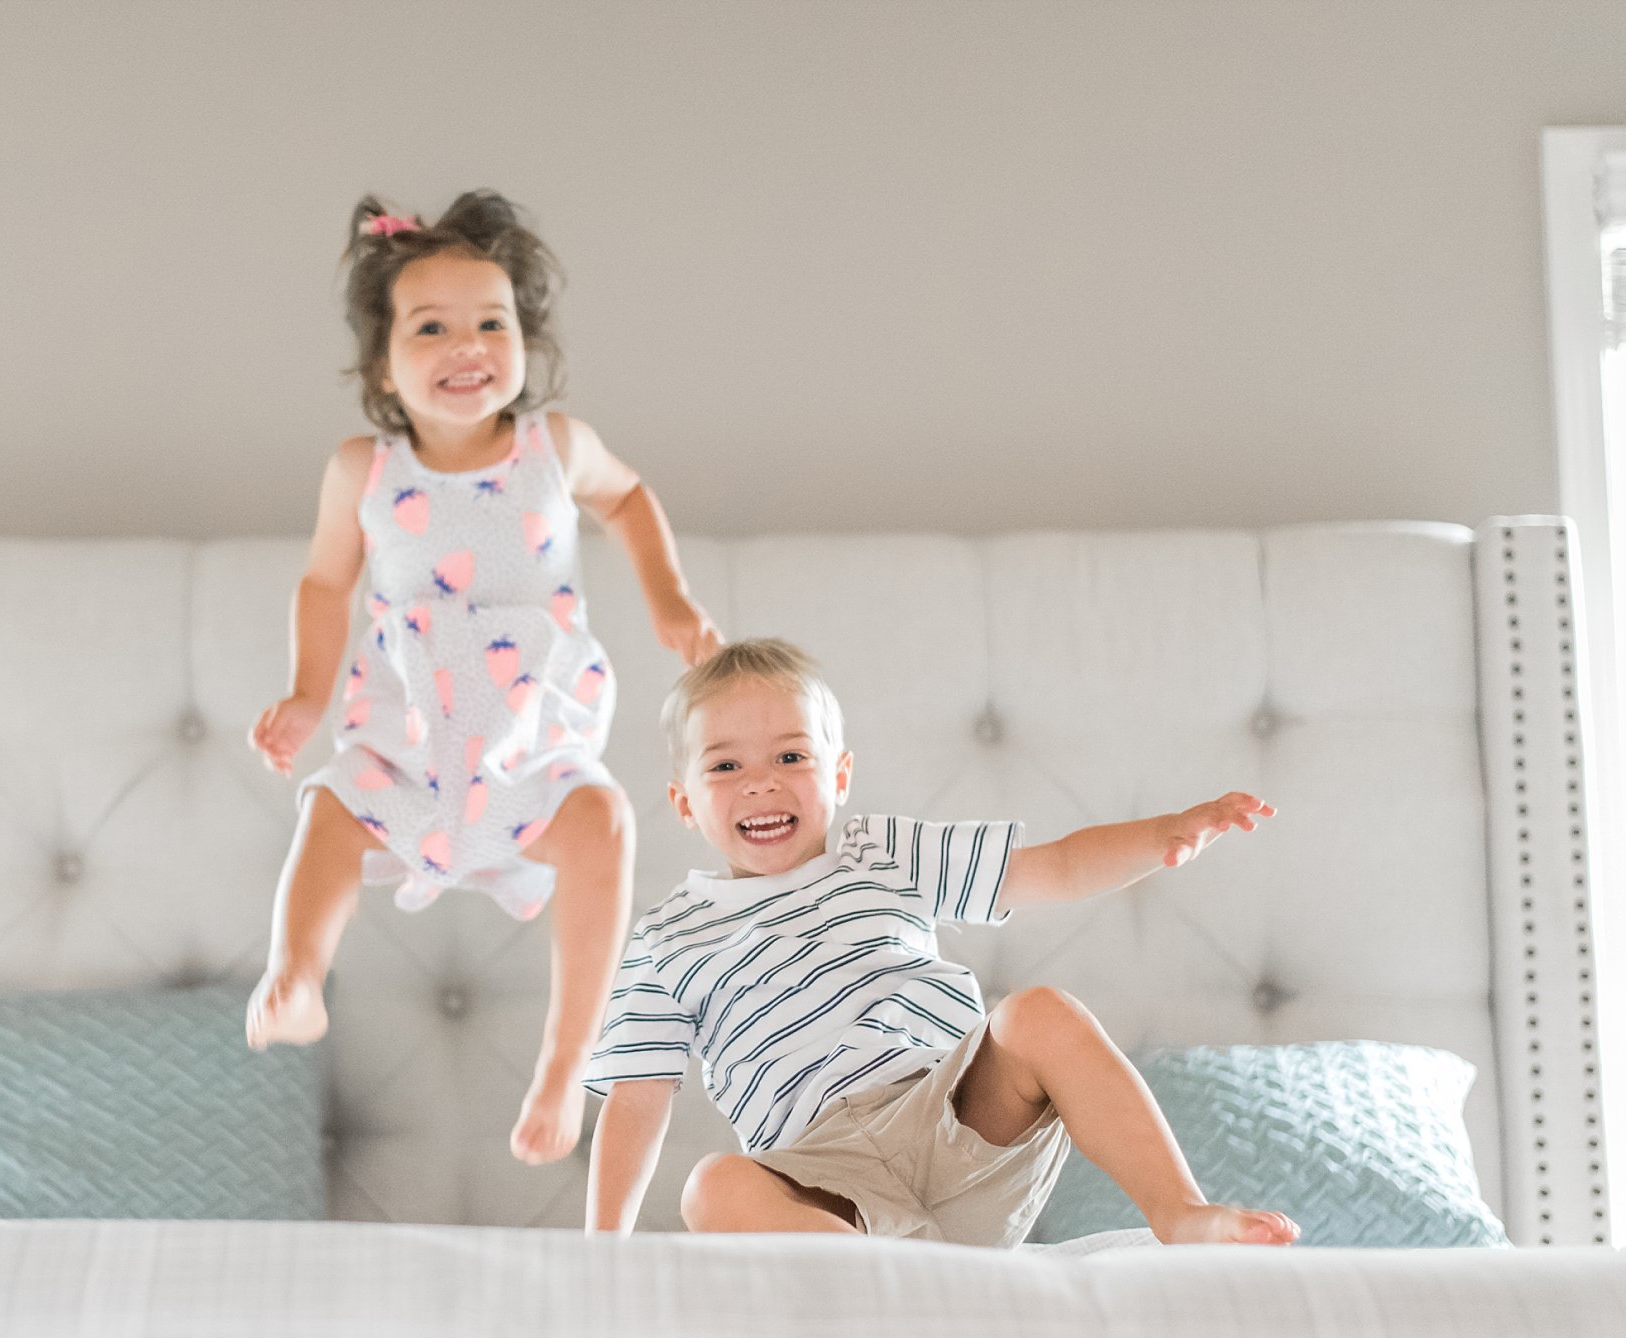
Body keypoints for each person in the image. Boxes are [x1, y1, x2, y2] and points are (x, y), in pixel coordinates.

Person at [245, 190, 722, 1166]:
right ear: (382, 360)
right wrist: (305, 692)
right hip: (411, 732)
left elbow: (626, 499)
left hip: (525, 732)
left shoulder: (557, 450)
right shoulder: (361, 473)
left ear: (522, 338)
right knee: (330, 814)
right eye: (430, 327)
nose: (466, 346)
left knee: (603, 825)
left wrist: (666, 597)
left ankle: (565, 1059)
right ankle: (295, 976)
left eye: (489, 323)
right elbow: (324, 583)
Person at [584, 638, 1300, 1244]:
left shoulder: (883, 854)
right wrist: (601, 1252)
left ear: (839, 776)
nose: (762, 785)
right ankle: (892, 1291)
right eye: (725, 766)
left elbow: (1048, 866)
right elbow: (637, 1099)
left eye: (791, 758)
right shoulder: (666, 939)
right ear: (683, 802)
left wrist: (1158, 835)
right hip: (825, 1178)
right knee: (712, 1187)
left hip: (955, 1118)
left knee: (1038, 1012)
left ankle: (1178, 1211)